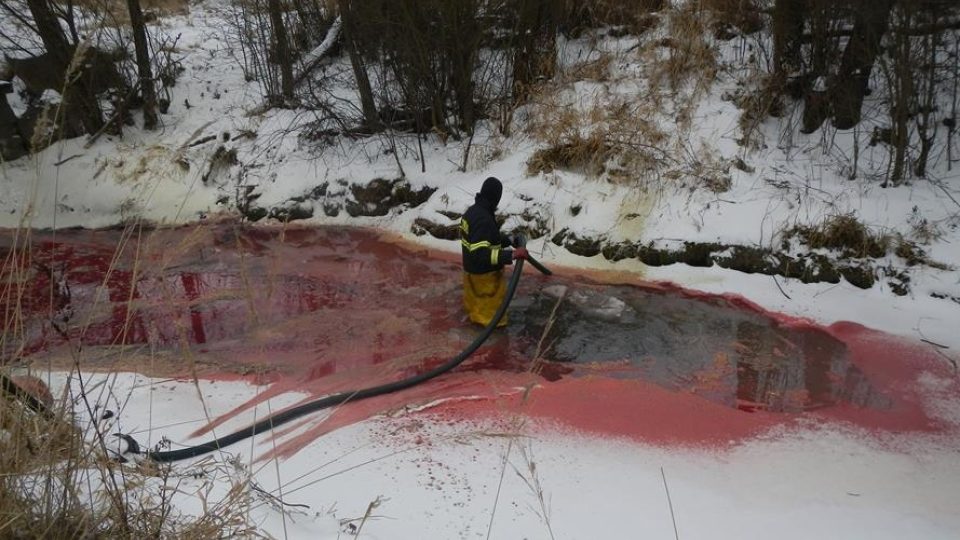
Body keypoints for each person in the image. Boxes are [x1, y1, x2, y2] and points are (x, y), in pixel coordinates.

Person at [460, 177, 528, 327]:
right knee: (493, 323)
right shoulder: (483, 219)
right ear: (496, 198)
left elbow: (487, 239)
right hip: (485, 283)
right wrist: (511, 255)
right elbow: (480, 255)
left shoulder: (473, 212)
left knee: (477, 318)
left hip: (472, 280)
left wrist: (509, 240)